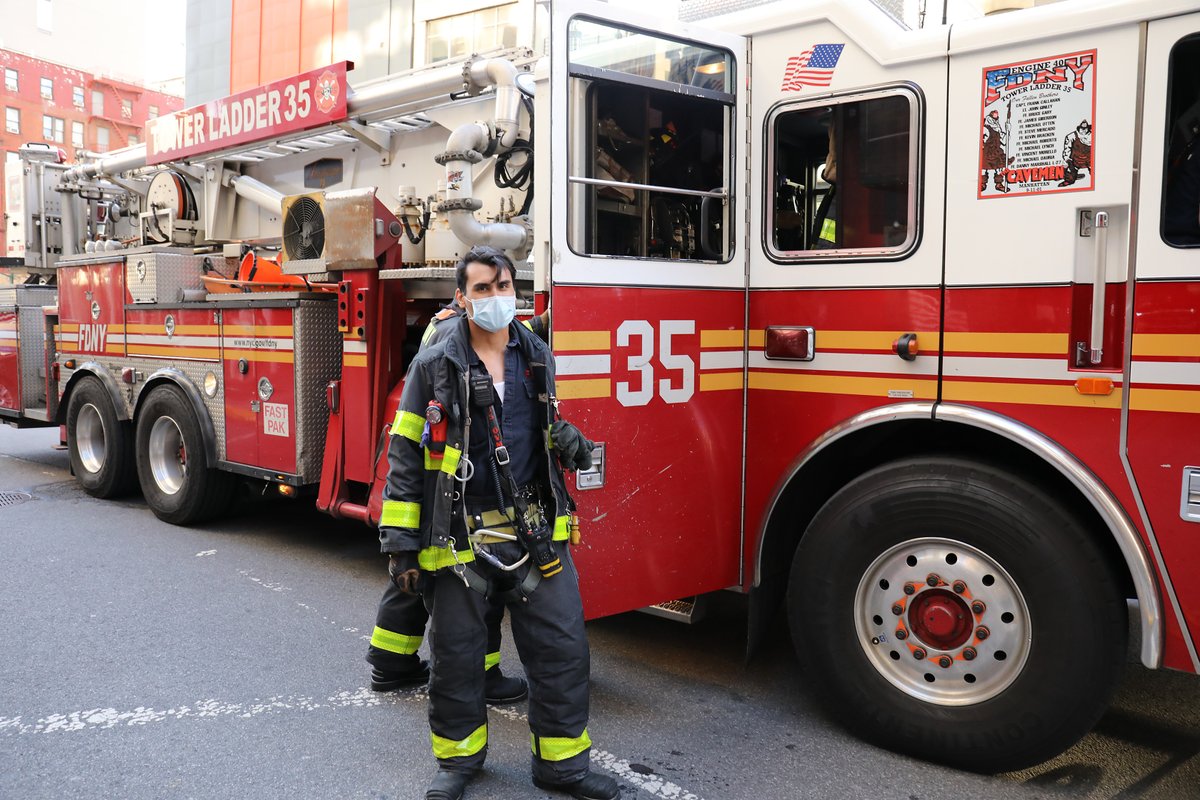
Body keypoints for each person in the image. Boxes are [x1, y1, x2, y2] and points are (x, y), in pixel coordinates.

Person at [379, 246, 616, 800]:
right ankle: (459, 764)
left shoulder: (535, 355)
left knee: (562, 649)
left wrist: (568, 439)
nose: (494, 298)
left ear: (517, 292)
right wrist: (401, 545)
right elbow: (406, 453)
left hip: (536, 526)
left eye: (503, 286)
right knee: (458, 658)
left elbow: (541, 425)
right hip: (458, 532)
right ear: (461, 298)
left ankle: (563, 768)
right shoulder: (434, 364)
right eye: (482, 289)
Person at [366, 293, 550, 703]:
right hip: (451, 482)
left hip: (430, 481)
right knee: (471, 585)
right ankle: (481, 676)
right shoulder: (459, 335)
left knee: (415, 574)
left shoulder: (443, 321)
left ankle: (390, 661)